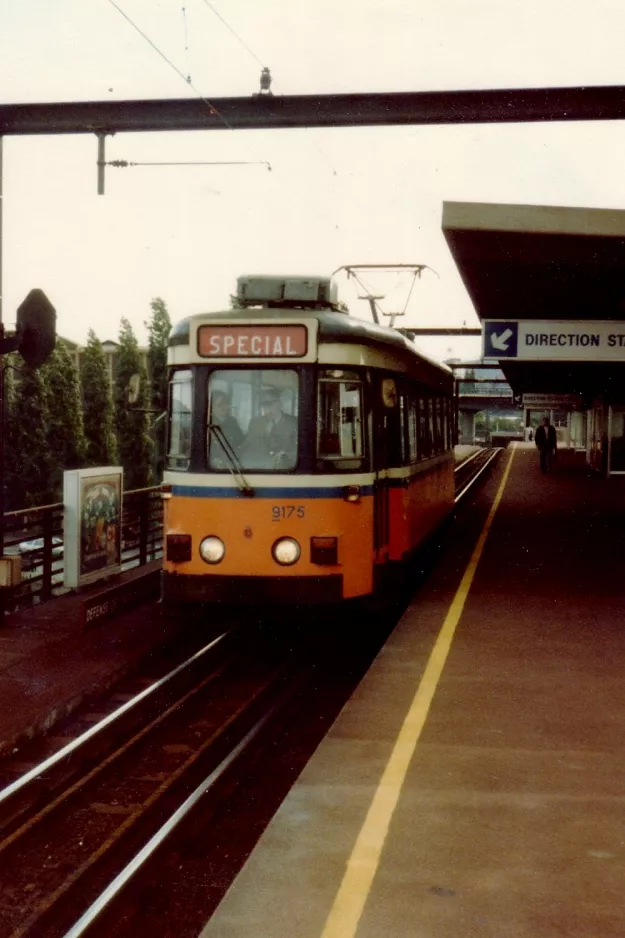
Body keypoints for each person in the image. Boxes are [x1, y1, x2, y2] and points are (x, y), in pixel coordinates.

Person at [243, 389, 298, 468]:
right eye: (264, 405)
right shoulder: (255, 423)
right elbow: (250, 447)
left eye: (270, 404)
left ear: (280, 404)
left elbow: (300, 450)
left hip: (285, 468)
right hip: (261, 467)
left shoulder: (293, 423)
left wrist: (285, 454)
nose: (267, 409)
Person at [208, 391, 244, 467]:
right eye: (219, 404)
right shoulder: (208, 423)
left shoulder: (232, 421)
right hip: (214, 465)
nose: (224, 407)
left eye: (225, 403)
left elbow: (241, 441)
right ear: (212, 407)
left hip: (233, 463)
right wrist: (213, 459)